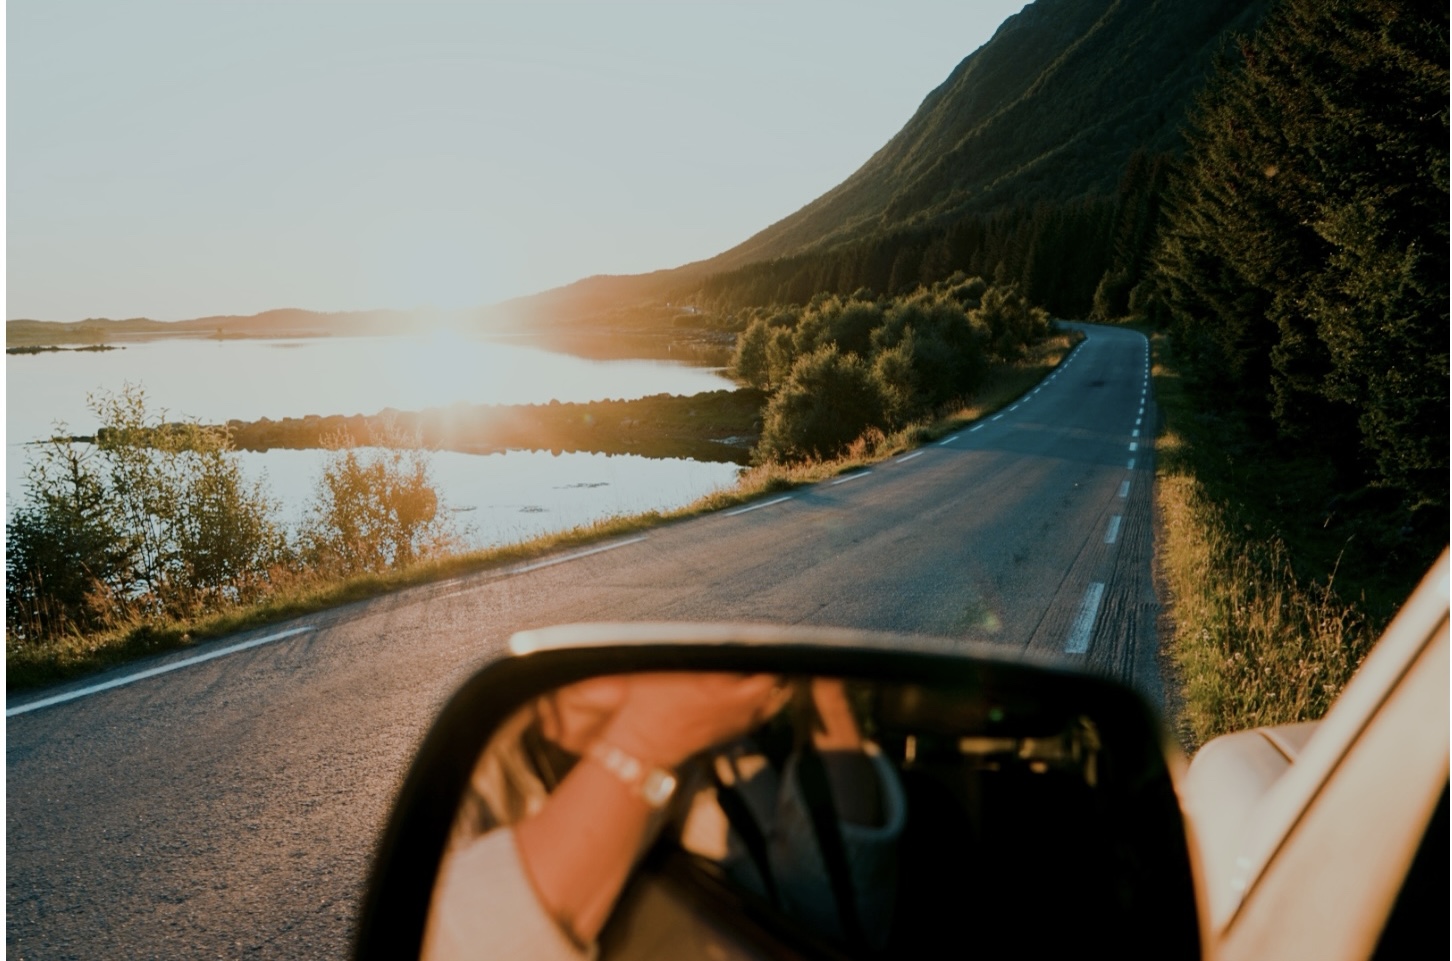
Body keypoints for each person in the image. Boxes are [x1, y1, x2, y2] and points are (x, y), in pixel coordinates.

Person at [421, 672, 906, 960]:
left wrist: (826, 699)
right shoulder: (469, 781)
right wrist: (646, 743)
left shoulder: (717, 756)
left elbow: (834, 913)